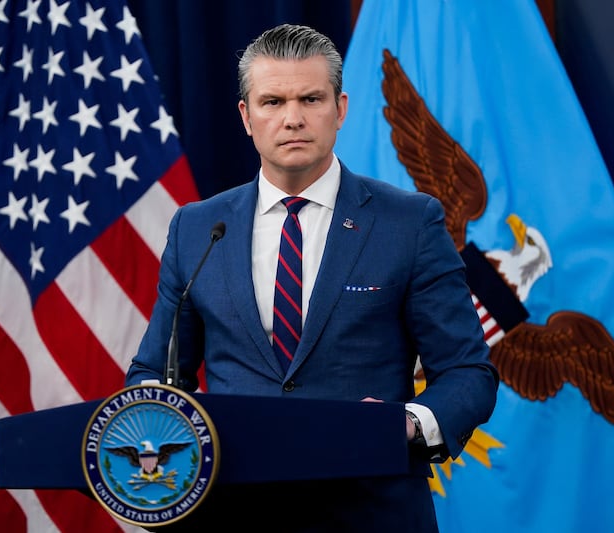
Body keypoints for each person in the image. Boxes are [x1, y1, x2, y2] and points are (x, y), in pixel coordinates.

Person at [126, 23, 498, 532]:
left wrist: (406, 424)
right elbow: (156, 375)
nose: (293, 119)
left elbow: (468, 373)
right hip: (233, 514)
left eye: (311, 98)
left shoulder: (410, 223)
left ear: (340, 109)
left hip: (372, 512)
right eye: (273, 102)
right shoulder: (196, 228)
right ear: (246, 116)